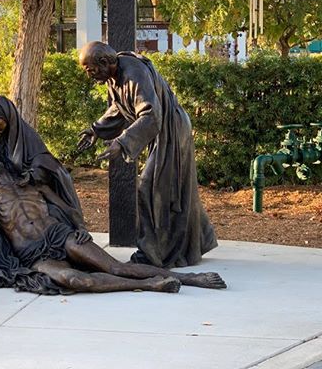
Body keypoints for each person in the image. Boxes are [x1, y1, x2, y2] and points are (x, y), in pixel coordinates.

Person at [0, 155, 226, 294]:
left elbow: (67, 206)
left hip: (59, 235)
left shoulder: (32, 184)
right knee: (76, 281)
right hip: (34, 256)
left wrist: (80, 226)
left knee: (114, 266)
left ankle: (191, 279)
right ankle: (148, 285)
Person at [77, 41, 218, 268]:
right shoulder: (116, 77)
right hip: (164, 131)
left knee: (150, 188)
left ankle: (151, 254)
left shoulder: (134, 73)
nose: (90, 76)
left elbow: (151, 115)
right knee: (173, 189)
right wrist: (96, 129)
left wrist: (122, 143)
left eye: (90, 70)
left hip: (171, 130)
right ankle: (197, 241)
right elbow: (120, 108)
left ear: (104, 62)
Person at [0, 95, 85, 230]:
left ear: (7, 116)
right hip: (5, 191)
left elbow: (44, 162)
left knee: (52, 214)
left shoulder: (28, 136)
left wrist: (32, 175)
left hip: (29, 189)